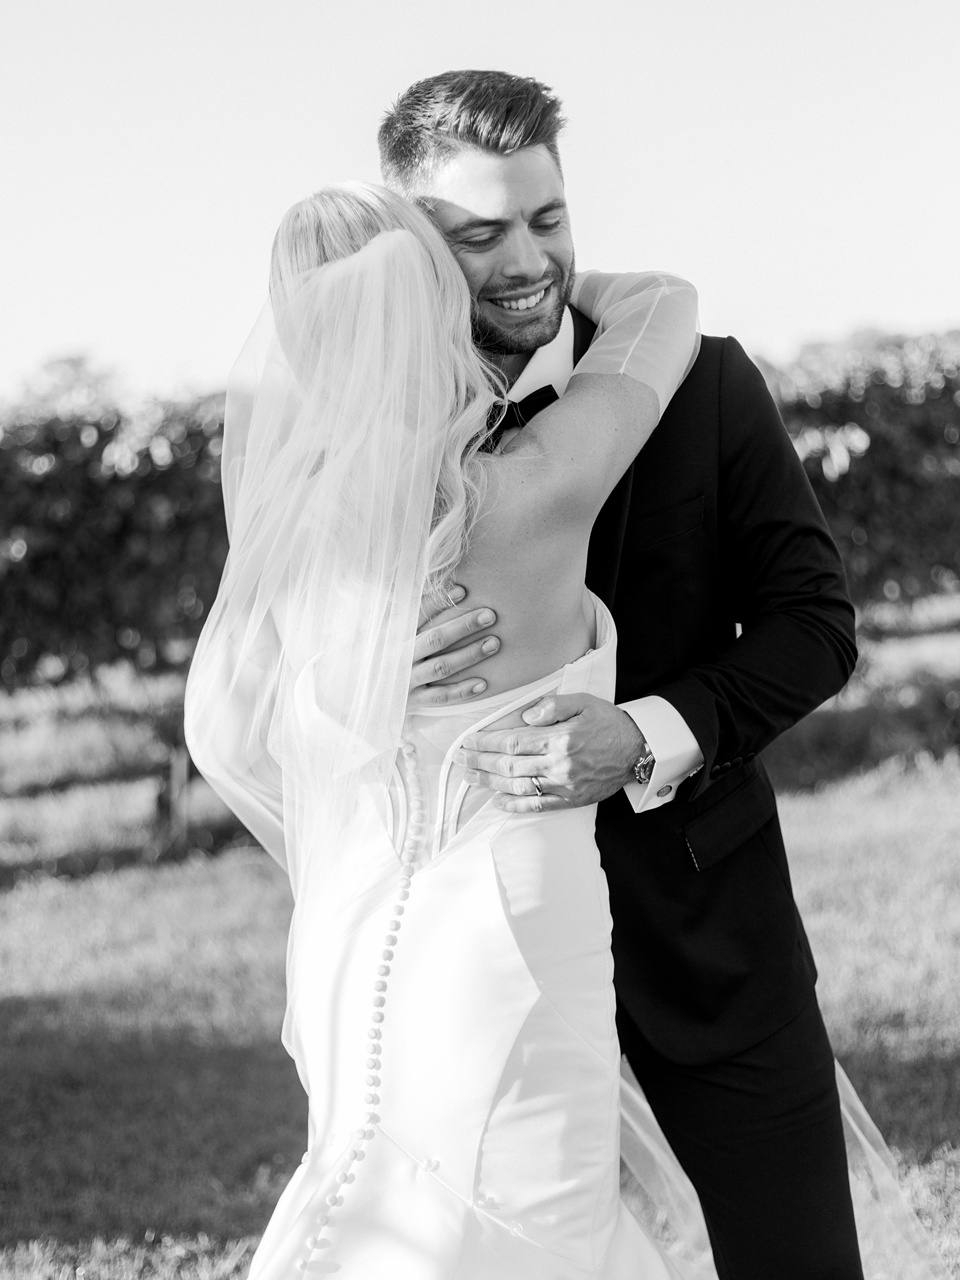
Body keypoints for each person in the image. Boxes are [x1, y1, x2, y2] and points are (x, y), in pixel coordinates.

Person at [381, 71, 951, 1279]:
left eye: (548, 216)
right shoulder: (364, 433)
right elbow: (270, 672)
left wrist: (646, 733)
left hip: (711, 937)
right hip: (483, 963)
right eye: (481, 234)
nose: (529, 257)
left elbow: (815, 623)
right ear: (409, 247)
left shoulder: (705, 381)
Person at [185, 182, 713, 1278]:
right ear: (435, 302)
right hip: (510, 926)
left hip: (357, 925)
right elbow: (668, 301)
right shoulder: (537, 480)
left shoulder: (300, 525)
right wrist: (510, 275)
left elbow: (225, 739)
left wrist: (342, 694)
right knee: (538, 1214)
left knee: (377, 1184)